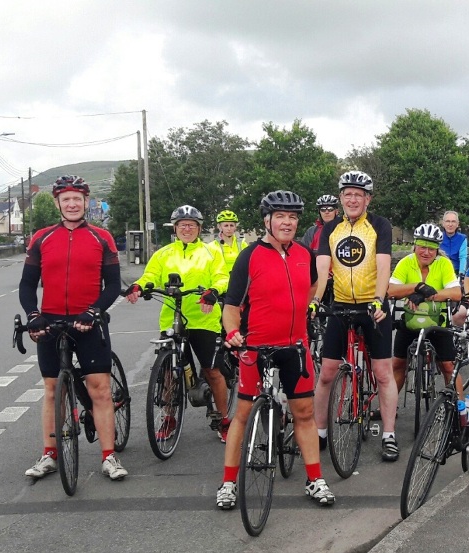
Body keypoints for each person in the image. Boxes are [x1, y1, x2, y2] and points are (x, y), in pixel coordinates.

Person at [217, 190, 335, 510]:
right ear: (267, 220)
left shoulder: (303, 254)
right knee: (242, 414)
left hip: (295, 347)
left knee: (304, 413)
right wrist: (232, 331)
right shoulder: (250, 256)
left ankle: (314, 479)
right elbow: (231, 305)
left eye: (293, 217)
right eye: (281, 216)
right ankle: (228, 482)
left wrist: (309, 304)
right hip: (255, 346)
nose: (288, 222)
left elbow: (312, 285)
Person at [19, 175, 127, 480]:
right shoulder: (41, 238)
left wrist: (94, 311)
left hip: (89, 321)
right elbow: (27, 285)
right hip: (51, 321)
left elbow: (113, 285)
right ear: (57, 203)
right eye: (66, 199)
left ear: (85, 202)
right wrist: (33, 315)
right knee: (52, 390)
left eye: (77, 198)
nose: (71, 203)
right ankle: (50, 454)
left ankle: (109, 457)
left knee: (101, 390)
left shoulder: (101, 237)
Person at [310, 171, 399, 461]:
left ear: (367, 199)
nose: (352, 199)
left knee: (384, 373)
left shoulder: (379, 225)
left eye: (358, 194)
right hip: (341, 305)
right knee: (326, 374)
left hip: (372, 307)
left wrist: (379, 299)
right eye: (347, 194)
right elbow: (323, 270)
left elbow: (384, 266)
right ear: (341, 198)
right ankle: (320, 431)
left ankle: (388, 434)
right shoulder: (330, 229)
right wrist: (315, 300)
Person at [123, 205, 231, 442]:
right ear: (175, 228)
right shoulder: (163, 254)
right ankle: (169, 417)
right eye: (182, 225)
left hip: (203, 318)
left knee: (213, 372)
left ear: (199, 228)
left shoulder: (211, 253)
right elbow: (150, 276)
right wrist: (139, 286)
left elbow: (223, 277)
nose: (187, 229)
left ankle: (223, 419)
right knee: (169, 373)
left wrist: (213, 292)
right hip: (172, 317)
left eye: (191, 225)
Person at [388, 223, 463, 399]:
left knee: (448, 366)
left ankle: (461, 412)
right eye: (422, 247)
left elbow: (456, 293)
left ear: (437, 250)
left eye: (431, 248)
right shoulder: (406, 262)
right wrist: (418, 287)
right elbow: (390, 290)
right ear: (415, 246)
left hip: (438, 322)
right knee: (398, 363)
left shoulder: (444, 264)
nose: (426, 252)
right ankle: (388, 406)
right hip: (410, 321)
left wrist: (426, 296)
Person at [211, 209, 248, 278]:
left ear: (235, 227)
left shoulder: (242, 244)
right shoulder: (212, 246)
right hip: (221, 285)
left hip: (239, 283)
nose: (229, 228)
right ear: (219, 227)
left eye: (231, 225)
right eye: (226, 225)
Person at [440, 210, 467, 275]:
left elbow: (463, 257)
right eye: (447, 221)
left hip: (456, 272)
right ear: (443, 223)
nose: (450, 224)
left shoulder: (462, 238)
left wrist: (462, 274)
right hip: (440, 271)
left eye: (453, 221)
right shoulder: (438, 237)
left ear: (457, 224)